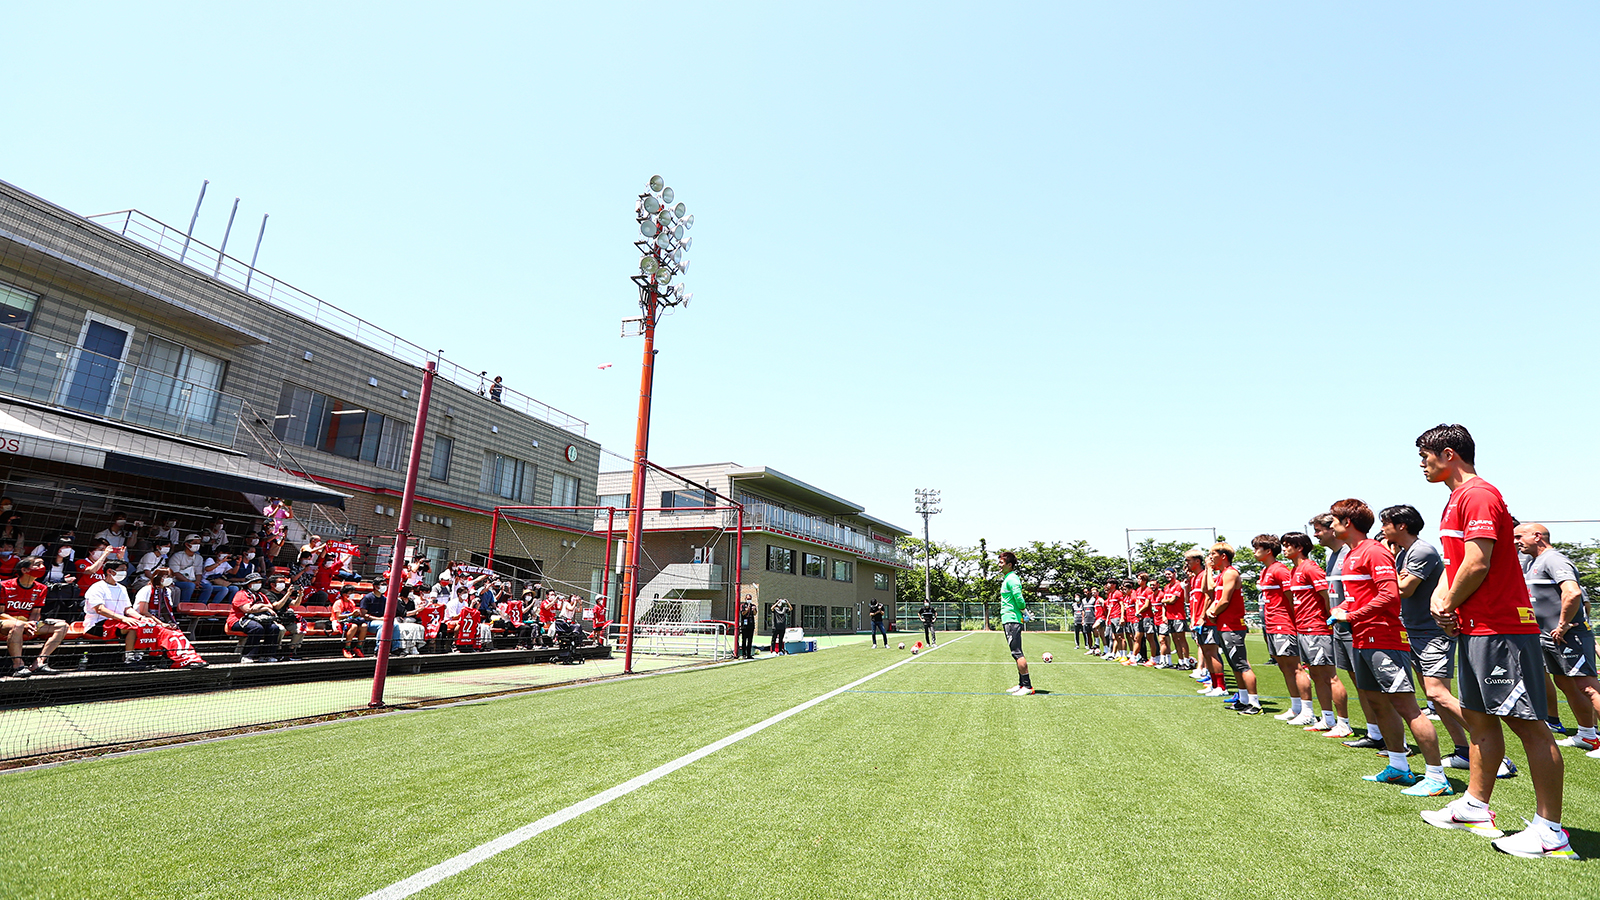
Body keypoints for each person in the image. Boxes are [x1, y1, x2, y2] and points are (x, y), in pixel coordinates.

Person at [1414, 424, 1574, 860]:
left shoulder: (1479, 493)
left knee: (1528, 726)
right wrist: (1439, 599)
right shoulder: (1454, 500)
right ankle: (1475, 807)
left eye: (1425, 457)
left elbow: (1479, 562)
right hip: (1476, 626)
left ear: (1448, 454)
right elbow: (1456, 561)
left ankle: (1550, 831)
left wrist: (1449, 599)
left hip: (1501, 626)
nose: (1421, 465)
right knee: (1479, 717)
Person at [1327, 499, 1447, 794]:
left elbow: (1390, 596)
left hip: (1385, 638)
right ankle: (1398, 767)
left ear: (1348, 523)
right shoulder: (1352, 554)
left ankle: (1436, 777)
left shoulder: (1374, 550)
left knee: (1408, 707)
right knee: (1377, 703)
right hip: (1362, 638)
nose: (1330, 526)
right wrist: (1342, 609)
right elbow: (1359, 597)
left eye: (1334, 520)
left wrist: (1351, 615)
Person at [1382, 504, 1477, 772]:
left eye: (1385, 523)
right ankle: (1464, 751)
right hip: (1413, 631)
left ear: (1401, 525)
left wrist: (1381, 576)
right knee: (1433, 697)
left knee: (1438, 693)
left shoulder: (1422, 550)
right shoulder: (1403, 554)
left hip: (1432, 632)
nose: (1382, 528)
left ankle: (1491, 749)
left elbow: (1405, 588)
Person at [1515, 522, 1600, 757]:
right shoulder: (1532, 562)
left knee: (1589, 687)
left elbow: (1572, 593)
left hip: (1568, 635)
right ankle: (1587, 734)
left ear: (1537, 536)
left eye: (1520, 536)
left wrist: (1562, 625)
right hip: (1549, 637)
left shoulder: (1554, 559)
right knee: (1565, 684)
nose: (1516, 541)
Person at [83, 560, 206, 670]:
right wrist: (123, 618)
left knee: (147, 624)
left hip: (119, 622)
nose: (124, 573)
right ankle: (129, 659)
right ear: (110, 571)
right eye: (122, 570)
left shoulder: (121, 588)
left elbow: (128, 609)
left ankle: (139, 657)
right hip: (98, 623)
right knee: (133, 627)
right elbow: (100, 609)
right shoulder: (97, 587)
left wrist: (141, 618)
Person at [1282, 532, 1346, 734]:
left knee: (1330, 676)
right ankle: (1327, 719)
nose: (1284, 549)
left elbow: (1326, 595)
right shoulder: (1294, 570)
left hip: (1317, 629)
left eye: (1287, 545)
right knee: (1317, 675)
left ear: (1299, 547)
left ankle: (1344, 723)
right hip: (1303, 629)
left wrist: (1329, 620)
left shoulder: (1311, 568)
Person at [1253, 535, 1312, 723]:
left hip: (1283, 625)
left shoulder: (1280, 570)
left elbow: (1291, 598)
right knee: (1284, 667)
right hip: (1270, 625)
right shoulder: (1265, 571)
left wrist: (1294, 623)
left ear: (1268, 551)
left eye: (1257, 548)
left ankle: (1308, 712)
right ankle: (1296, 708)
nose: (1254, 552)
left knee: (1296, 668)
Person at [1206, 543, 1260, 714]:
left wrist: (1212, 612)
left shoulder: (1230, 573)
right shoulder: (1222, 574)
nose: (1210, 557)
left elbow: (1225, 600)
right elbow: (1211, 590)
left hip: (1233, 625)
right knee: (1235, 664)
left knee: (1242, 664)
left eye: (1213, 553)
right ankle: (1243, 700)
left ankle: (1255, 703)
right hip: (1224, 625)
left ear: (1223, 556)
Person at [2, 556, 68, 676]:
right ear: (25, 570)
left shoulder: (41, 588)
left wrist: (31, 623)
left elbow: (36, 612)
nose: (42, 567)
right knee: (18, 625)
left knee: (62, 626)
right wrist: (23, 624)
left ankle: (39, 663)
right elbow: (1, 613)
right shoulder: (4, 586)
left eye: (43, 564)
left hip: (27, 623)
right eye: (38, 564)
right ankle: (18, 666)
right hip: (6, 623)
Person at [227, 573, 284, 664]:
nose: (258, 584)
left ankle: (268, 655)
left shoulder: (261, 594)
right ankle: (247, 656)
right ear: (248, 584)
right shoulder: (241, 594)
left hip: (258, 618)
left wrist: (260, 606)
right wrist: (263, 606)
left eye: (259, 582)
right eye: (255, 582)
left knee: (274, 628)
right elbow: (247, 609)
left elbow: (270, 605)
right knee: (256, 628)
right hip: (239, 620)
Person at [998, 551, 1032, 695]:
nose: (999, 564)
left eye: (1001, 562)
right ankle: (1021, 684)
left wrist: (1024, 611)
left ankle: (1027, 687)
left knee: (1017, 652)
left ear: (1009, 565)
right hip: (1009, 619)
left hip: (1012, 619)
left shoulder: (1012, 579)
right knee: (1015, 653)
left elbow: (1019, 597)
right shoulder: (1007, 578)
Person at [332, 585, 371, 658]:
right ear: (344, 594)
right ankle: (347, 648)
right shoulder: (338, 602)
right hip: (340, 622)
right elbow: (338, 617)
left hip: (350, 621)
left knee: (364, 626)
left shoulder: (351, 602)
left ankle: (358, 647)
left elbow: (352, 616)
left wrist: (356, 614)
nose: (353, 594)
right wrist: (352, 614)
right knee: (354, 626)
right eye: (350, 593)